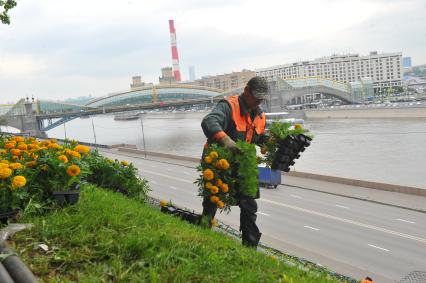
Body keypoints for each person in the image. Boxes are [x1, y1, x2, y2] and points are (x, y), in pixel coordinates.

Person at [200, 76, 270, 248]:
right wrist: (226, 141)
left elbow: (257, 137)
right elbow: (209, 122)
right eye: (256, 97)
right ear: (246, 91)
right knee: (213, 200)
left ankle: (250, 245)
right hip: (219, 162)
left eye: (261, 98)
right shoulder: (228, 106)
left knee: (249, 204)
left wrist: (269, 142)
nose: (258, 101)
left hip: (243, 165)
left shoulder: (260, 116)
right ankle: (202, 232)